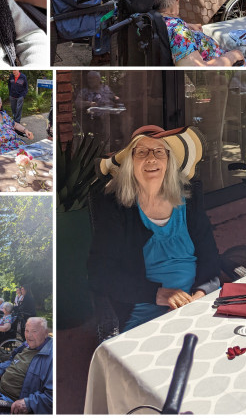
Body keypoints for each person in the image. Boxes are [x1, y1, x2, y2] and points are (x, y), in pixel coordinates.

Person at [89, 125, 219, 333]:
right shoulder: (116, 208)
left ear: (169, 161)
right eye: (142, 152)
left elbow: (210, 256)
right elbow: (101, 274)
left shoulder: (189, 199)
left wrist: (199, 296)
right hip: (145, 313)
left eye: (159, 151)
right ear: (130, 162)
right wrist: (159, 294)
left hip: (197, 302)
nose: (151, 158)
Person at [150, 0, 244, 66]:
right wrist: (232, 56)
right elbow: (198, 71)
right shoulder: (177, 29)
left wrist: (187, 26)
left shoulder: (149, 18)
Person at [0, 317, 53, 414]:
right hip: (0, 385)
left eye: (34, 331)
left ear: (46, 333)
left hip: (14, 399)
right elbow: (12, 360)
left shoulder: (52, 356)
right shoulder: (27, 344)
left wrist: (29, 403)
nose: (29, 336)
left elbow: (52, 397)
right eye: (27, 331)